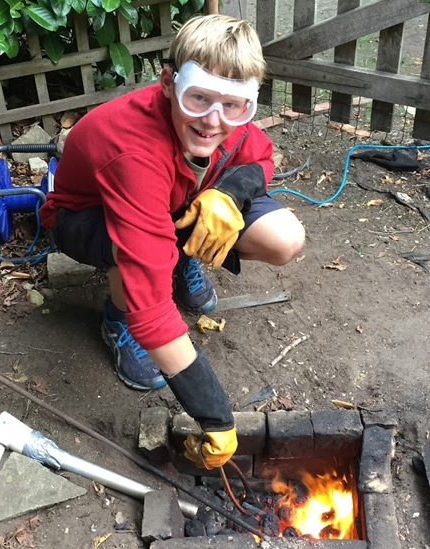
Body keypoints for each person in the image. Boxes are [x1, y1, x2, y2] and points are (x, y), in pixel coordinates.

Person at [39, 14, 305, 470]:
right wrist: (216, 417)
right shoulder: (134, 149)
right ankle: (115, 321)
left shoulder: (226, 114)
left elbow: (260, 156)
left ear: (248, 101)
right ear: (168, 82)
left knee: (285, 238)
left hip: (174, 201)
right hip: (85, 216)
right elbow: (155, 313)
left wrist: (228, 193)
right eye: (197, 98)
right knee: (140, 267)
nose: (213, 121)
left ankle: (180, 258)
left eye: (234, 105)